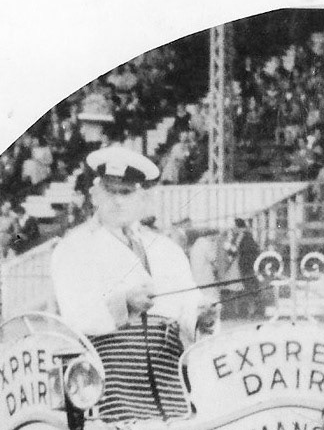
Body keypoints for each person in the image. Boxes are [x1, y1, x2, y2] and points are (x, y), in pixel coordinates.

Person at [50, 145, 208, 343]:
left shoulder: (167, 248)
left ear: (141, 198)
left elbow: (188, 302)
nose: (117, 201)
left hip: (168, 368)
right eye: (110, 191)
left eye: (126, 192)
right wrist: (124, 304)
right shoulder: (73, 248)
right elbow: (76, 316)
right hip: (108, 367)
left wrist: (203, 318)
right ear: (95, 195)